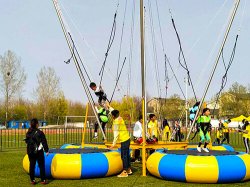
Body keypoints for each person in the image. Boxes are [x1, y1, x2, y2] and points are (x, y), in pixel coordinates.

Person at [25, 118, 49, 185]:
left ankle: (32, 180)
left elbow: (27, 141)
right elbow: (44, 142)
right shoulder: (40, 132)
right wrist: (46, 150)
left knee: (32, 165)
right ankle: (43, 180)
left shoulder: (28, 132)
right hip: (39, 151)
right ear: (36, 124)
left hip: (30, 151)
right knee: (41, 165)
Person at [109, 110, 131, 177]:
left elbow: (116, 134)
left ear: (113, 116)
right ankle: (128, 170)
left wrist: (113, 144)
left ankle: (124, 172)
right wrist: (108, 106)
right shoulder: (120, 118)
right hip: (127, 138)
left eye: (111, 115)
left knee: (123, 156)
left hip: (124, 140)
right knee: (126, 155)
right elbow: (113, 110)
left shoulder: (116, 122)